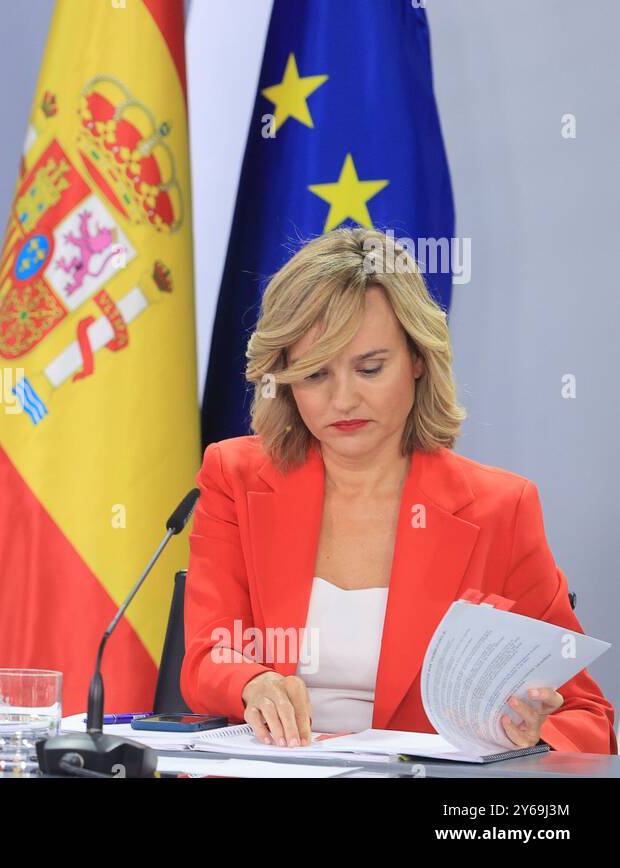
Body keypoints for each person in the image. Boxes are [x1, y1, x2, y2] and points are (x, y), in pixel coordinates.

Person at [180, 227, 615, 753]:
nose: (343, 399)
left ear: (417, 360)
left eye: (370, 368)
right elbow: (209, 655)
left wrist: (534, 738)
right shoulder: (236, 475)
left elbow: (589, 718)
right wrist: (252, 683)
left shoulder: (501, 508)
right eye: (316, 375)